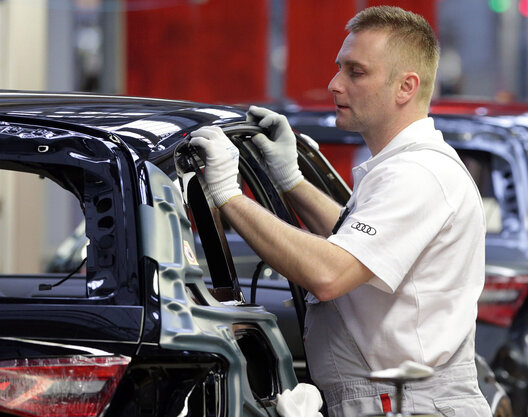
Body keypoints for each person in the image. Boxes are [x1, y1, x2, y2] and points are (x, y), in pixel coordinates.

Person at [189, 6, 490, 417]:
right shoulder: (406, 167)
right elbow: (360, 247)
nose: (334, 84)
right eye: (339, 69)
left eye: (356, 72)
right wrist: (290, 180)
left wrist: (228, 194)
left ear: (406, 87)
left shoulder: (417, 174)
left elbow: (330, 274)